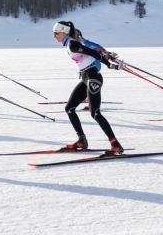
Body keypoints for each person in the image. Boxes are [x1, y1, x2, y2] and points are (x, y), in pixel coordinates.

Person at [53, 21, 123, 155]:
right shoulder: (70, 43)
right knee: (69, 108)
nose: (54, 36)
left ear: (63, 32)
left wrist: (109, 65)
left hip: (93, 78)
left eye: (56, 33)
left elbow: (93, 53)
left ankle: (115, 145)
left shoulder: (73, 44)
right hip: (86, 77)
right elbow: (91, 50)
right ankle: (81, 141)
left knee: (95, 113)